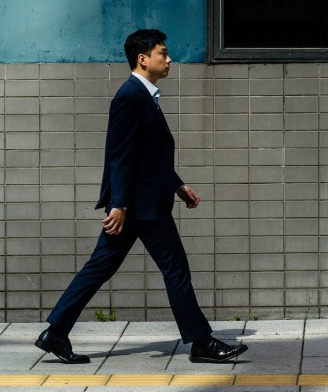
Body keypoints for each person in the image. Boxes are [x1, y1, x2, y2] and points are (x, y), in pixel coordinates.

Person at [35, 29, 247, 364]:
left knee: (98, 268)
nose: (169, 59)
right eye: (163, 53)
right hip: (139, 208)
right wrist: (119, 204)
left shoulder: (143, 95)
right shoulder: (130, 97)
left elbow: (147, 155)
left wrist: (177, 185)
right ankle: (202, 343)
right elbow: (120, 155)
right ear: (142, 58)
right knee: (175, 271)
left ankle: (56, 332)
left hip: (140, 204)